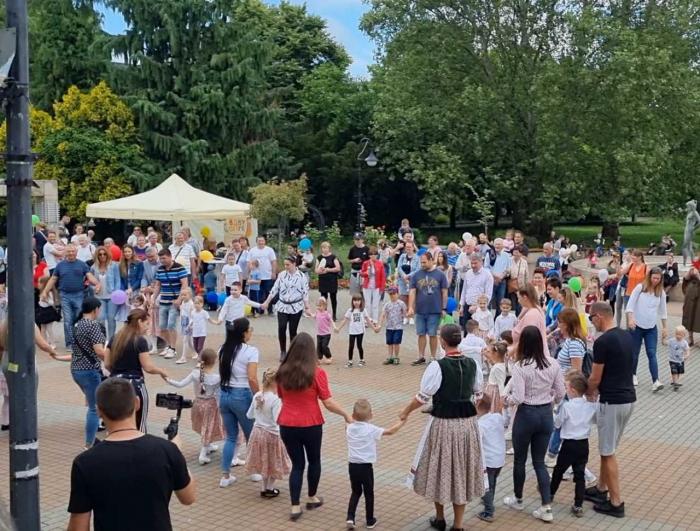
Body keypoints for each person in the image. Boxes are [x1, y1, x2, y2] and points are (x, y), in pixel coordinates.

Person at [67, 378, 195, 531]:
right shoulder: (166, 450)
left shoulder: (85, 462)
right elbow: (188, 497)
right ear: (137, 403)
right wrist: (177, 453)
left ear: (99, 411)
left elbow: (78, 527)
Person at [400, 324, 483, 531]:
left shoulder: (438, 366)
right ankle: (458, 525)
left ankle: (439, 518)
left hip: (444, 424)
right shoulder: (473, 364)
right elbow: (478, 395)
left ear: (443, 342)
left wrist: (405, 411)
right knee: (461, 472)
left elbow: (422, 397)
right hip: (467, 425)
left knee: (440, 469)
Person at [276, 332, 352, 521]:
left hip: (287, 423)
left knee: (297, 465)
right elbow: (328, 402)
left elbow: (281, 396)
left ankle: (295, 506)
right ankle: (311, 497)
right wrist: (346, 414)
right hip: (311, 423)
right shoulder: (317, 373)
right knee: (314, 461)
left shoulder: (282, 371)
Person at [503, 326, 565, 523]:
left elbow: (518, 397)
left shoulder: (520, 366)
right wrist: (552, 400)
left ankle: (518, 498)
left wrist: (506, 400)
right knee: (539, 462)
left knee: (520, 460)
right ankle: (546, 506)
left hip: (526, 415)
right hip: (545, 414)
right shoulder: (553, 363)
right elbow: (561, 392)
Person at [585, 302, 635, 518]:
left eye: (591, 318)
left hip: (611, 401)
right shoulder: (626, 336)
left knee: (607, 452)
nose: (591, 322)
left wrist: (587, 392)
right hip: (628, 399)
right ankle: (601, 488)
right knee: (609, 446)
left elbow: (595, 377)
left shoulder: (603, 342)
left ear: (599, 316)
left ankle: (616, 502)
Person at [105, 309, 169, 432]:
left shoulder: (115, 338)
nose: (148, 327)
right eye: (147, 323)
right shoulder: (140, 341)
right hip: (134, 385)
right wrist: (161, 371)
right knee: (139, 422)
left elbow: (107, 363)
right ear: (139, 322)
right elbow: (148, 367)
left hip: (113, 382)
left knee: (116, 420)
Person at [345, 399, 405, 529]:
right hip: (366, 467)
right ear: (371, 415)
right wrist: (402, 421)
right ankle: (370, 520)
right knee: (369, 493)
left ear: (353, 415)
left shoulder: (349, 428)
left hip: (352, 465)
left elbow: (348, 421)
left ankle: (350, 517)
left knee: (356, 491)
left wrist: (349, 417)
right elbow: (390, 431)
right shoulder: (371, 429)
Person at [217, 317, 259, 487]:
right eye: (250, 329)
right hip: (241, 395)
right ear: (244, 333)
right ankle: (254, 471)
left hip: (224, 394)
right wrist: (258, 395)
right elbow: (252, 378)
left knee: (231, 437)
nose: (251, 332)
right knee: (251, 435)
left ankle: (225, 476)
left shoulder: (223, 349)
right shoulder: (251, 351)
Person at [549, 370, 597, 517]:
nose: (565, 390)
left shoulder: (567, 406)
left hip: (569, 444)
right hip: (583, 444)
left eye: (566, 387)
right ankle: (578, 505)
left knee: (559, 470)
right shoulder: (590, 406)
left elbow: (557, 424)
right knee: (580, 474)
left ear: (573, 390)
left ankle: (550, 494)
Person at [165, 348, 224, 465]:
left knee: (203, 426)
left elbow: (180, 384)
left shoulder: (195, 374)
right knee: (208, 427)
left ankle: (208, 445)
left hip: (197, 404)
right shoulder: (217, 378)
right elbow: (219, 394)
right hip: (210, 405)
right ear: (214, 361)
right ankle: (203, 454)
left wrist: (168, 379)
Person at [41, 244, 101, 351]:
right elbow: (53, 279)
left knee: (78, 319)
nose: (71, 253)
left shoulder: (82, 264)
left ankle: (79, 342)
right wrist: (45, 291)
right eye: (69, 251)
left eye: (73, 251)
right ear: (65, 252)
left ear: (76, 252)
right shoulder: (60, 265)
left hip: (79, 294)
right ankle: (69, 343)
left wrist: (97, 283)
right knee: (68, 320)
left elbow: (89, 276)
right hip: (65, 295)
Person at [245, 368, 291, 498]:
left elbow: (249, 415)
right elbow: (277, 419)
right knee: (274, 461)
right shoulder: (276, 399)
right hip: (271, 434)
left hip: (257, 433)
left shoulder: (257, 395)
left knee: (264, 461)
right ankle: (270, 488)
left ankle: (263, 487)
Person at [70, 297, 108, 450]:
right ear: (95, 309)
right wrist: (111, 362)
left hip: (76, 369)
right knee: (94, 408)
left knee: (95, 403)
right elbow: (99, 351)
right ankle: (89, 443)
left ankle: (96, 437)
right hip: (89, 370)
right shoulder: (93, 325)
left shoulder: (77, 324)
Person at [261, 256, 310, 359]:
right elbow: (274, 289)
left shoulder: (301, 276)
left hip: (296, 307)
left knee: (293, 330)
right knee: (282, 328)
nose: (286, 266)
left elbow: (305, 292)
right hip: (282, 306)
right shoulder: (282, 275)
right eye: (285, 264)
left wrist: (307, 307)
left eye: (288, 264)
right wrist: (267, 302)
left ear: (294, 264)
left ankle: (292, 351)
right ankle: (283, 351)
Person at [625, 267, 667, 390]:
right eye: (654, 278)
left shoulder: (661, 293)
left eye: (658, 279)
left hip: (651, 328)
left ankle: (656, 381)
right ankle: (633, 374)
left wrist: (665, 327)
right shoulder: (640, 288)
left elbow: (663, 311)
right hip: (636, 327)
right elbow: (630, 306)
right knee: (634, 353)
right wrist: (631, 319)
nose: (656, 281)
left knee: (652, 353)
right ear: (649, 277)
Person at [408, 252, 448, 366]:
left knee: (432, 334)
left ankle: (433, 357)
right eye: (421, 262)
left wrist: (444, 308)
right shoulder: (416, 275)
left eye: (424, 262)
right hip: (420, 309)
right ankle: (421, 356)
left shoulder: (440, 275)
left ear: (431, 260)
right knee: (420, 333)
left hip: (435, 310)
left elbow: (444, 292)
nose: (422, 264)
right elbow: (412, 291)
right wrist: (410, 307)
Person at [153, 249, 189, 359]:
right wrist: (153, 298)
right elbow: (158, 285)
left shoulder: (180, 268)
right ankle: (168, 346)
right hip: (163, 301)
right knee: (162, 326)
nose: (162, 261)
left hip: (174, 302)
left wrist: (179, 299)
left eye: (164, 258)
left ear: (170, 256)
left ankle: (173, 348)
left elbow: (184, 285)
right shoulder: (160, 269)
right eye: (160, 258)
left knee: (171, 325)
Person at [476, 393, 506, 523]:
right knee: (492, 482)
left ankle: (488, 511)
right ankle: (488, 500)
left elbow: (477, 443)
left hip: (488, 460)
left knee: (486, 485)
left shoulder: (480, 425)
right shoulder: (497, 417)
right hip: (499, 458)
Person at [335, 293, 375, 368]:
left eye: (358, 300)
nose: (356, 302)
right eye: (355, 300)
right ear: (352, 301)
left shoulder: (363, 310)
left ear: (361, 301)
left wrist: (374, 328)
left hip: (360, 331)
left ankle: (362, 360)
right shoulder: (350, 310)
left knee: (359, 345)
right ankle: (350, 361)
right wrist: (338, 328)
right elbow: (344, 320)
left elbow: (368, 320)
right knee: (351, 346)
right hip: (352, 331)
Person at [90, 246, 121, 341]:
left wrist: (116, 292)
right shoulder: (93, 267)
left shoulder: (114, 265)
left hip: (112, 296)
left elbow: (117, 280)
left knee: (111, 318)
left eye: (104, 254)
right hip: (99, 296)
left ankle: (111, 340)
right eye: (100, 254)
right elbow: (90, 282)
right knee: (100, 318)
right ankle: (102, 339)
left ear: (108, 255)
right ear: (97, 256)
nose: (102, 256)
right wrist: (94, 288)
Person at [459, 253, 493, 332]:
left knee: (479, 331)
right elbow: (464, 290)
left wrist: (477, 306)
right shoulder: (468, 273)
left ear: (481, 262)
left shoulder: (487, 275)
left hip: (481, 308)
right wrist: (461, 306)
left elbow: (488, 295)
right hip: (467, 307)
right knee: (466, 332)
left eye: (475, 263)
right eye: (472, 263)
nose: (473, 265)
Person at [511, 284, 549, 356]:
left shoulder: (532, 315)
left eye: (519, 298)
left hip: (531, 357)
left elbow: (528, 338)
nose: (518, 301)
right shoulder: (534, 309)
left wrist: (512, 350)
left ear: (525, 297)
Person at [247, 236, 277, 315]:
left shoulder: (269, 250)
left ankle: (270, 310)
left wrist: (273, 272)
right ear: (256, 241)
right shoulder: (252, 250)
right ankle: (260, 310)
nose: (261, 242)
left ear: (265, 241)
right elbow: (248, 262)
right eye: (259, 241)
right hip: (256, 277)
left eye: (262, 241)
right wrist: (249, 273)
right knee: (258, 294)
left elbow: (273, 261)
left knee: (269, 293)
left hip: (267, 275)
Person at [377, 286, 407, 365]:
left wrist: (408, 315)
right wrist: (380, 324)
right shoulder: (387, 304)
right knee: (389, 343)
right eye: (390, 294)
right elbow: (383, 314)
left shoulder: (401, 304)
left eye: (394, 294)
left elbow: (405, 313)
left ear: (397, 294)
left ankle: (396, 357)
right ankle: (390, 357)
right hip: (389, 327)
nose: (392, 296)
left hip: (398, 327)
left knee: (396, 342)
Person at [316, 241, 341, 321]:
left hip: (332, 279)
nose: (325, 249)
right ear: (321, 249)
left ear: (329, 248)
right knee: (323, 298)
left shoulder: (333, 257)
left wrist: (328, 270)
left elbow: (338, 268)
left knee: (333, 297)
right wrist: (321, 271)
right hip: (323, 280)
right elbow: (316, 270)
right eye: (323, 248)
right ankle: (324, 313)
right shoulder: (319, 257)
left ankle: (334, 314)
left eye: (326, 248)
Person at [485, 238, 512, 314]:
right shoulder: (489, 254)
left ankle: (499, 317)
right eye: (496, 244)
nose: (497, 246)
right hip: (491, 280)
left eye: (499, 244)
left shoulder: (507, 255)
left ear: (503, 245)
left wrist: (501, 277)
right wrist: (495, 277)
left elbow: (509, 269)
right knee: (489, 300)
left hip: (502, 281)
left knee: (500, 300)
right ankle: (488, 317)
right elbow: (486, 267)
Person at [360, 246, 386, 322]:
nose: (373, 256)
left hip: (377, 286)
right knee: (367, 304)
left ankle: (375, 320)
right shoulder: (365, 263)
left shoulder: (380, 264)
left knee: (375, 304)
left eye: (375, 254)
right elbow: (361, 273)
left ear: (377, 255)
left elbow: (383, 277)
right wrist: (366, 273)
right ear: (369, 255)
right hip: (367, 286)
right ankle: (367, 320)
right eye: (371, 254)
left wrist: (382, 288)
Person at [396, 241, 419, 324]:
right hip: (402, 281)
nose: (408, 248)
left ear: (413, 248)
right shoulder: (402, 256)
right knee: (403, 298)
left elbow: (417, 269)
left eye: (410, 247)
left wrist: (408, 276)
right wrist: (404, 276)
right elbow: (399, 267)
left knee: (412, 299)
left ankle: (411, 316)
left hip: (412, 280)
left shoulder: (417, 258)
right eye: (407, 247)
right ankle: (405, 316)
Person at [507, 245, 529, 314]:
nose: (516, 254)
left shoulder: (524, 262)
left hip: (521, 286)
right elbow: (506, 272)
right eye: (514, 252)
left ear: (521, 253)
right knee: (513, 303)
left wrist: (526, 286)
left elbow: (527, 275)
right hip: (512, 286)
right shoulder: (509, 260)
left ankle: (520, 316)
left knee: (520, 304)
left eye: (517, 252)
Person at [668, 325, 690, 390]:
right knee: (674, 371)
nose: (678, 336)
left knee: (679, 372)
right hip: (672, 360)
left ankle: (674, 381)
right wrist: (663, 338)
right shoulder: (672, 340)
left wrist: (687, 355)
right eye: (676, 334)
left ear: (684, 335)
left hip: (680, 360)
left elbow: (687, 349)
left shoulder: (684, 342)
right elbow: (665, 343)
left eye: (680, 335)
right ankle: (676, 383)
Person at [312, 297, 333, 364]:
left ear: (324, 306)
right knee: (319, 347)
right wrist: (309, 313)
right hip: (319, 334)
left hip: (326, 334)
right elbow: (313, 316)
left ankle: (329, 356)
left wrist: (335, 327)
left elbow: (331, 320)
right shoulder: (317, 312)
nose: (319, 307)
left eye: (320, 306)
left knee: (324, 346)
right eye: (318, 306)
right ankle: (319, 358)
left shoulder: (327, 314)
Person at [682, 267, 700, 345]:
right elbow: (686, 279)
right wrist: (690, 272)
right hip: (689, 299)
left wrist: (698, 276)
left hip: (698, 301)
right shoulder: (695, 265)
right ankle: (690, 338)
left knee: (698, 318)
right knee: (689, 317)